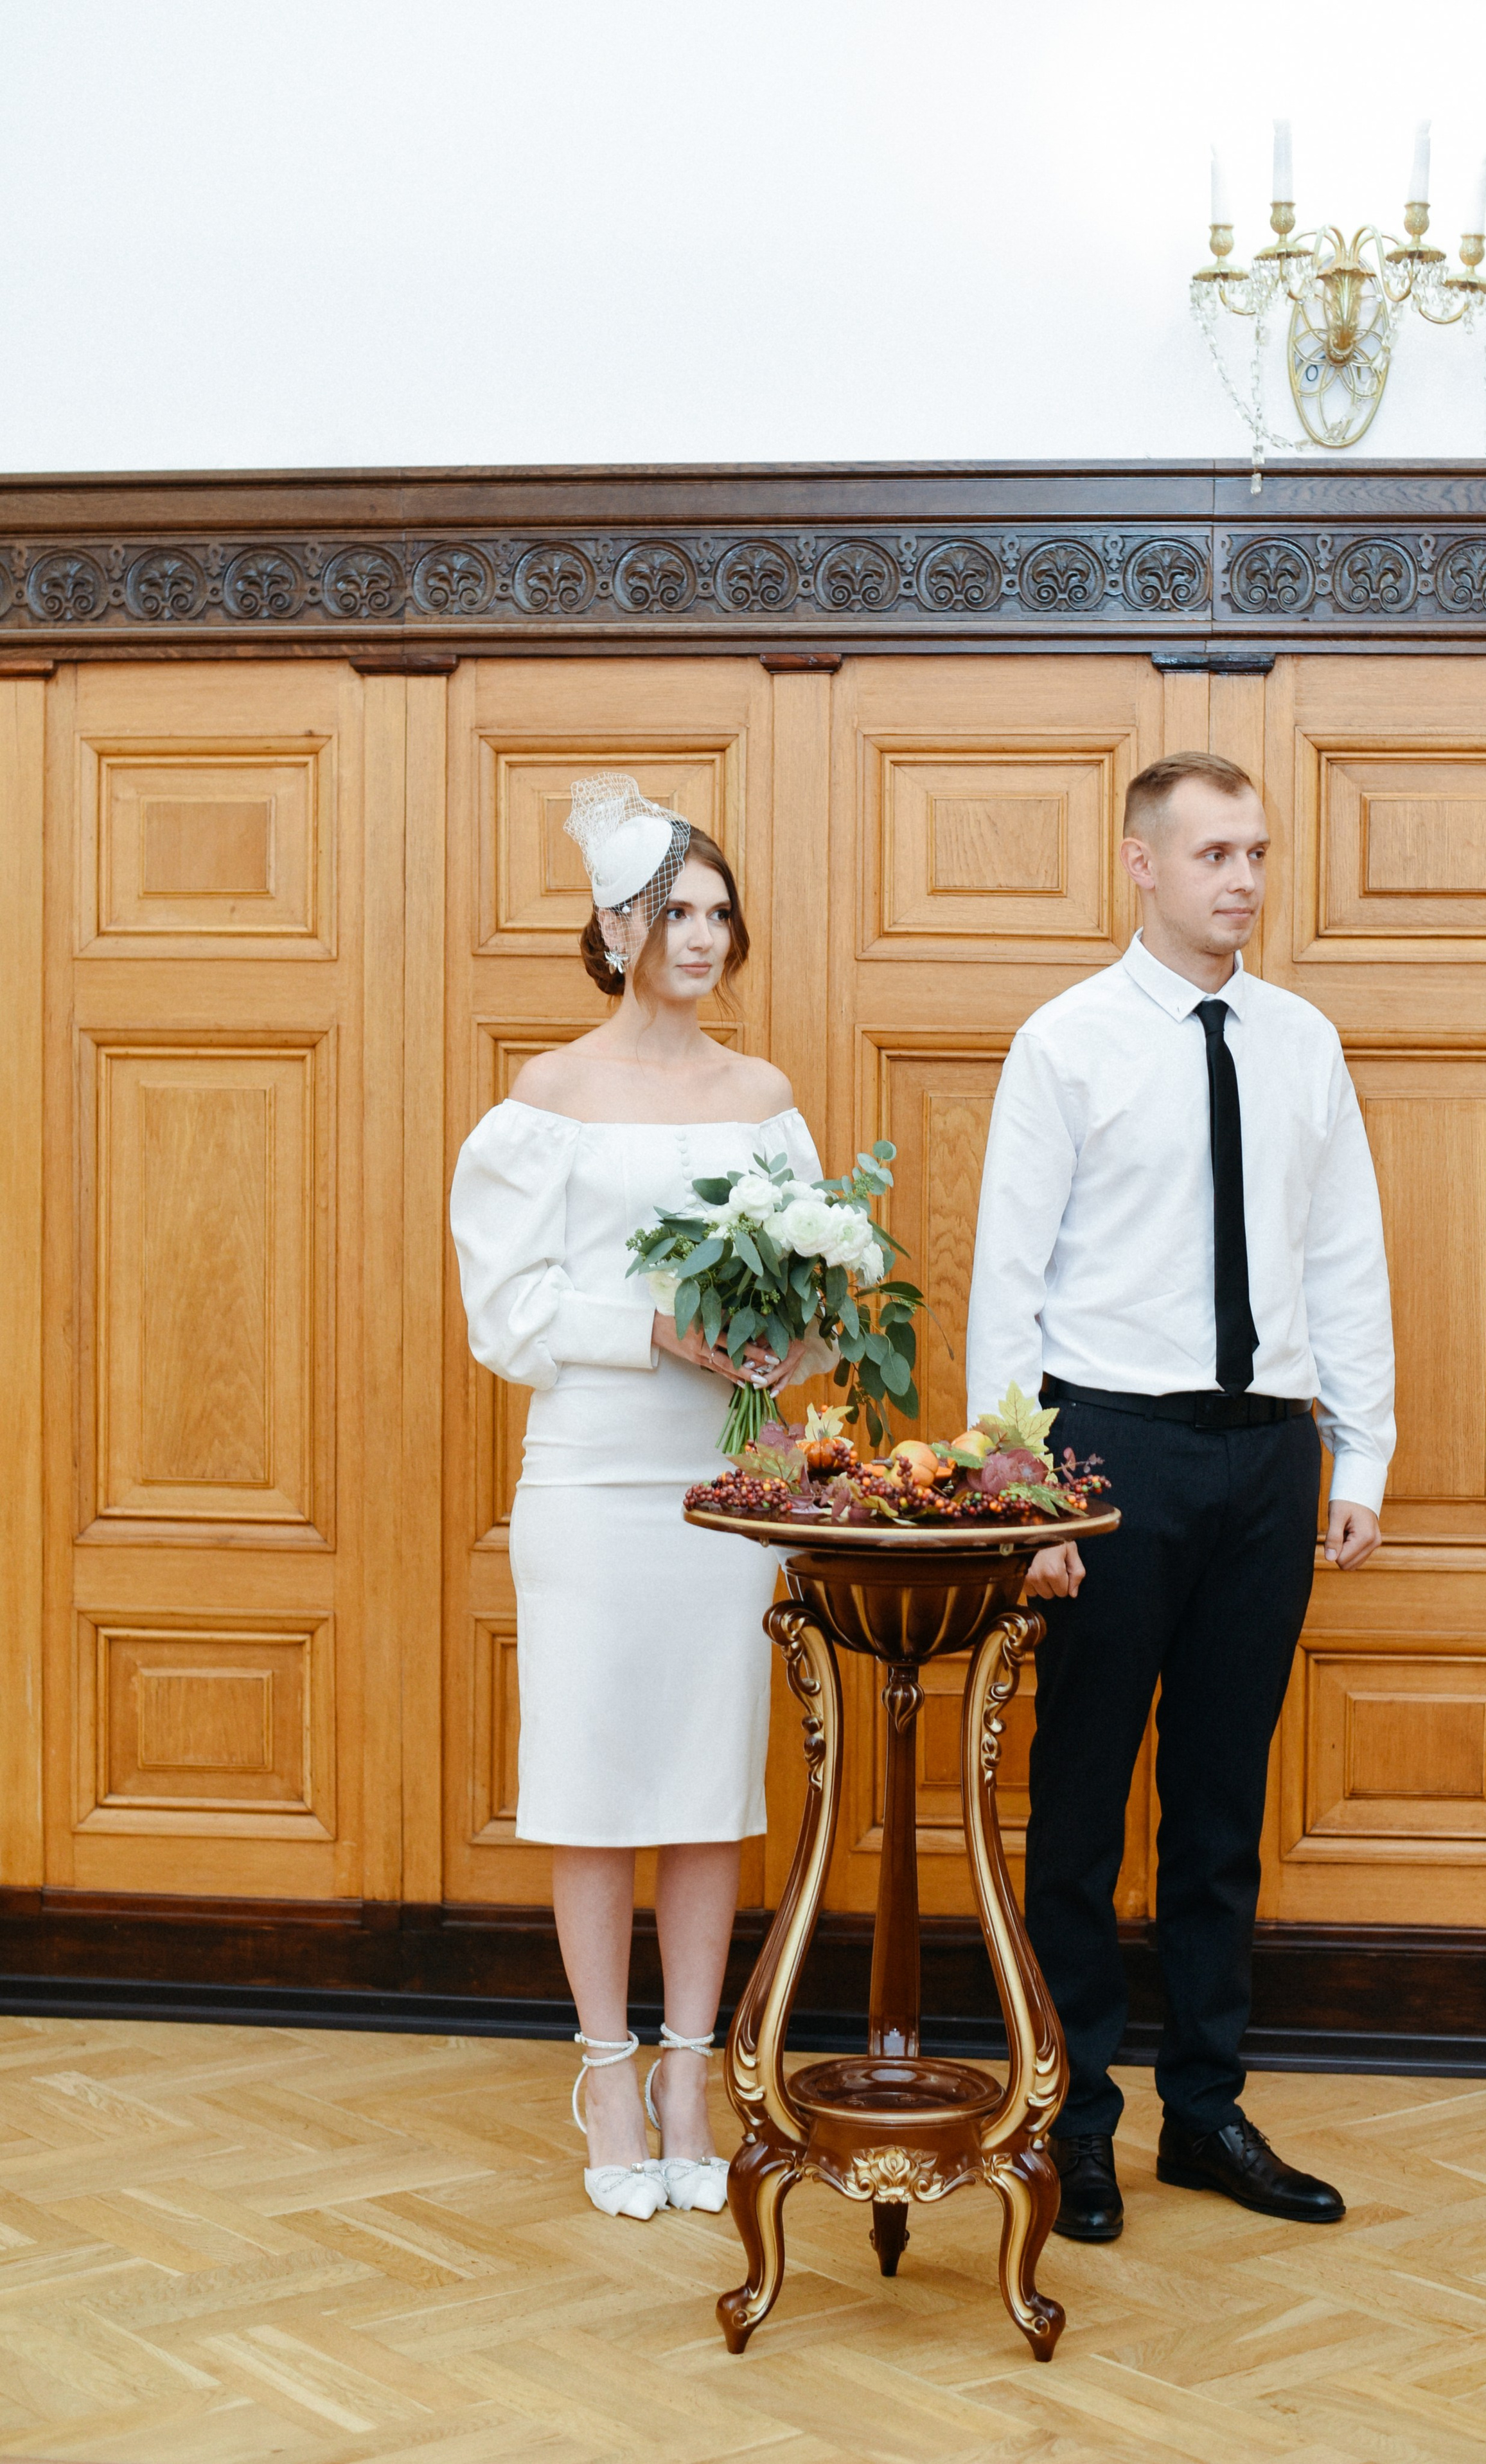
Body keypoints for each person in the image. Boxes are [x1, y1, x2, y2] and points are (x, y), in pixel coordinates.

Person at [965, 750, 1394, 2242]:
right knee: (1079, 1804)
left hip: (1267, 1455)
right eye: (1214, 853)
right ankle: (1072, 2119)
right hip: (1105, 1453)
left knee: (1219, 1805)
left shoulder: (1300, 1042)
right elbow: (1004, 1281)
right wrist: (1022, 1500)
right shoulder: (1065, 1043)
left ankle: (1203, 2111)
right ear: (1139, 864)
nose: (1245, 881)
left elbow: (1342, 1250)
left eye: (1257, 853)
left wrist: (1364, 1449)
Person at [450, 775, 826, 2222]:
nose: (702, 936)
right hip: (595, 1477)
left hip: (724, 1481)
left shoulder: (764, 1100)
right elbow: (507, 1309)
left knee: (708, 1788)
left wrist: (787, 1345)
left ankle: (692, 2069)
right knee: (597, 1783)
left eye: (718, 912)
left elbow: (809, 1298)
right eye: (676, 911)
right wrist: (653, 1327)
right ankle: (605, 2068)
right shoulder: (545, 1098)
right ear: (614, 929)